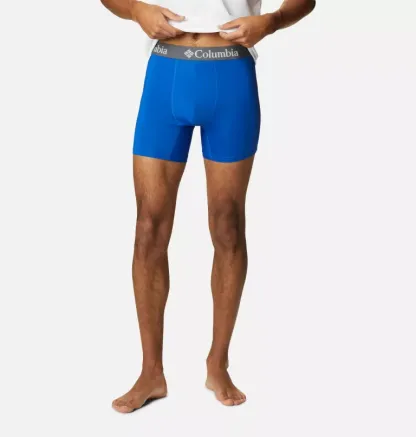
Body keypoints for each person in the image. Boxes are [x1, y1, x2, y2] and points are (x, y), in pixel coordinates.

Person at [100, 0, 316, 412]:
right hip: (166, 71)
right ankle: (151, 372)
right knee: (148, 226)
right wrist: (135, 10)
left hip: (231, 73)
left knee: (228, 225)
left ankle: (218, 363)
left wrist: (271, 21)